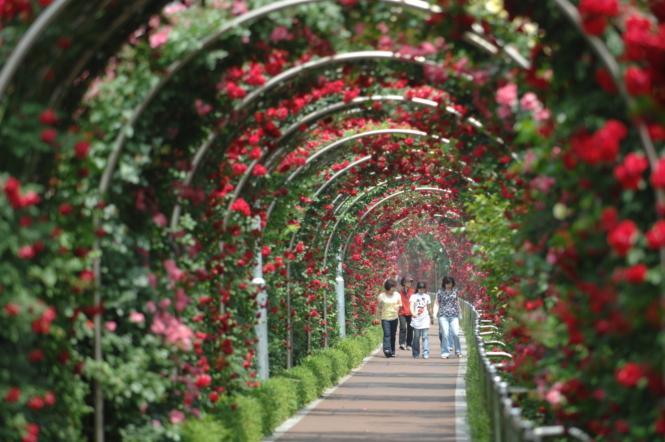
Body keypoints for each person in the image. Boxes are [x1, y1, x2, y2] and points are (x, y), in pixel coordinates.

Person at [436, 276, 462, 358]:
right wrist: (434, 313)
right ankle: (445, 352)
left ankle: (458, 351)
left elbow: (457, 302)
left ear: (452, 283)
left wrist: (460, 312)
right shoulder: (440, 292)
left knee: (456, 333)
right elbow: (437, 303)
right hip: (443, 315)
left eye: (450, 283)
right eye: (446, 283)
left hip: (454, 315)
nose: (448, 285)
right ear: (444, 283)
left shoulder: (455, 291)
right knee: (445, 334)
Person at [376, 278, 402, 358]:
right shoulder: (381, 296)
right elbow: (379, 308)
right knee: (387, 334)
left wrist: (397, 307)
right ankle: (387, 350)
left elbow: (400, 304)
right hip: (385, 318)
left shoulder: (397, 295)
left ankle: (392, 351)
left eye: (394, 288)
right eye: (391, 288)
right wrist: (377, 318)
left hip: (394, 317)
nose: (393, 290)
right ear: (387, 288)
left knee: (393, 335)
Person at [409, 281, 433, 359]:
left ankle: (425, 352)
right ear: (418, 289)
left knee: (425, 336)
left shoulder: (427, 296)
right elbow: (411, 306)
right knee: (416, 337)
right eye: (420, 289)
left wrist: (431, 316)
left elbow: (429, 308)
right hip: (416, 319)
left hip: (425, 318)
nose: (421, 290)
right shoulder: (413, 296)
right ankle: (416, 353)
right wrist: (413, 313)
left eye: (423, 289)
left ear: (424, 289)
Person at [398, 276, 414, 350]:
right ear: (404, 283)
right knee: (403, 327)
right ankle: (402, 343)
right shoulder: (399, 292)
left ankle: (409, 344)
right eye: (408, 282)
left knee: (410, 328)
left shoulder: (413, 292)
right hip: (402, 312)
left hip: (411, 313)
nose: (410, 283)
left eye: (411, 282)